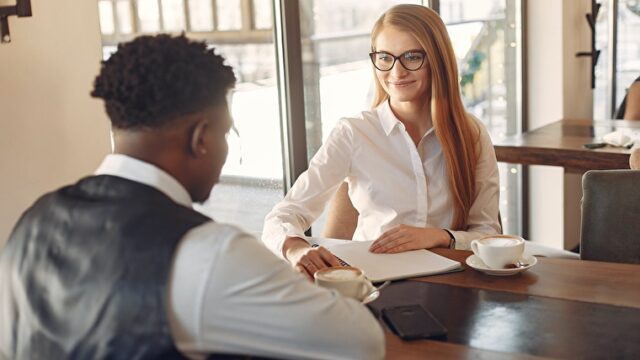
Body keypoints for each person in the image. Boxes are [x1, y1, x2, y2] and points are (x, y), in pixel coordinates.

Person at [0, 34, 384, 359]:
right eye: (227, 134)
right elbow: (362, 342)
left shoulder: (33, 220)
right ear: (201, 138)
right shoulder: (209, 252)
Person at [262, 4, 501, 280]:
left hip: (455, 283)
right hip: (373, 284)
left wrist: (438, 236)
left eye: (412, 57)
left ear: (437, 60)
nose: (396, 72)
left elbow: (489, 235)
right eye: (385, 57)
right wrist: (296, 250)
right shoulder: (354, 133)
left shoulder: (471, 134)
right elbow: (282, 216)